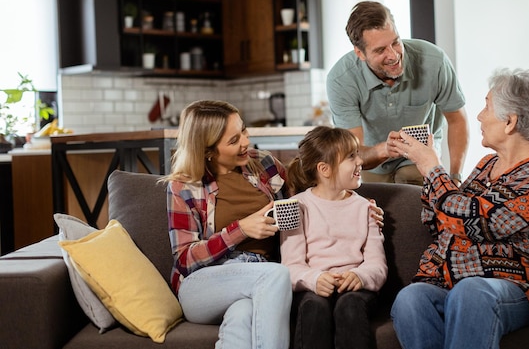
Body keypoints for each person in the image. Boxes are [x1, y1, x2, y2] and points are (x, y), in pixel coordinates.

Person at [388, 68, 529, 349]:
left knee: (471, 292)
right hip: (454, 285)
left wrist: (433, 169)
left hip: (513, 289)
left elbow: (480, 222)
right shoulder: (486, 165)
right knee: (412, 298)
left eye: (486, 106)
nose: (480, 116)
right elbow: (439, 221)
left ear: (510, 122)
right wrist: (423, 165)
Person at [161, 100, 292, 349]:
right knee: (278, 274)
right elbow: (185, 259)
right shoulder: (184, 186)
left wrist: (355, 207)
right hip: (203, 284)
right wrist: (240, 230)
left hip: (256, 278)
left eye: (243, 130)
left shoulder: (265, 165)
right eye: (233, 141)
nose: (245, 142)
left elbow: (305, 201)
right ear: (207, 150)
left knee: (242, 315)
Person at [326, 0, 470, 186]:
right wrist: (385, 150)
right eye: (380, 50)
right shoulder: (341, 79)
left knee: (415, 199)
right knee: (378, 209)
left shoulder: (434, 61)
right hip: (373, 162)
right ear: (360, 54)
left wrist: (455, 177)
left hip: (420, 158)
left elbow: (457, 119)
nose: (393, 55)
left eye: (395, 42)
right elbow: (353, 152)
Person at [280, 126, 388, 349]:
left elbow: (377, 265)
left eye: (357, 154)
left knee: (349, 305)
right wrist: (315, 279)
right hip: (312, 288)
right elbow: (290, 267)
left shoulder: (366, 208)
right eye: (351, 157)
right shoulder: (296, 207)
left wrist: (360, 276)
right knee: (314, 306)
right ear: (324, 169)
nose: (359, 161)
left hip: (358, 290)